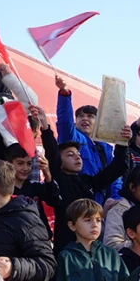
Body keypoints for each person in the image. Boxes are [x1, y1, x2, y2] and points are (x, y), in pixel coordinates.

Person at [35, 107, 131, 254]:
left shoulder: (88, 182)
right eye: (70, 155)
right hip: (66, 250)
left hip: (91, 248)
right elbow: (53, 153)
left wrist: (122, 142)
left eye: (78, 154)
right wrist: (45, 127)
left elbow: (117, 168)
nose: (77, 157)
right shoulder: (59, 179)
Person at [54, 74, 122, 204]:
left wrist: (115, 199)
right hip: (79, 201)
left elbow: (114, 176)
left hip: (104, 205)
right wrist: (64, 94)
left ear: (98, 122)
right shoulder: (72, 138)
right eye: (80, 116)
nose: (85, 118)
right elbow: (64, 121)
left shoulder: (106, 148)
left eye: (90, 116)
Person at [5, 143, 58, 234]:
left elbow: (54, 200)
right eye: (20, 163)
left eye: (29, 163)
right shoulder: (4, 191)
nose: (25, 168)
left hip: (40, 236)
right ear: (9, 164)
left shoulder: (34, 186)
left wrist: (47, 174)